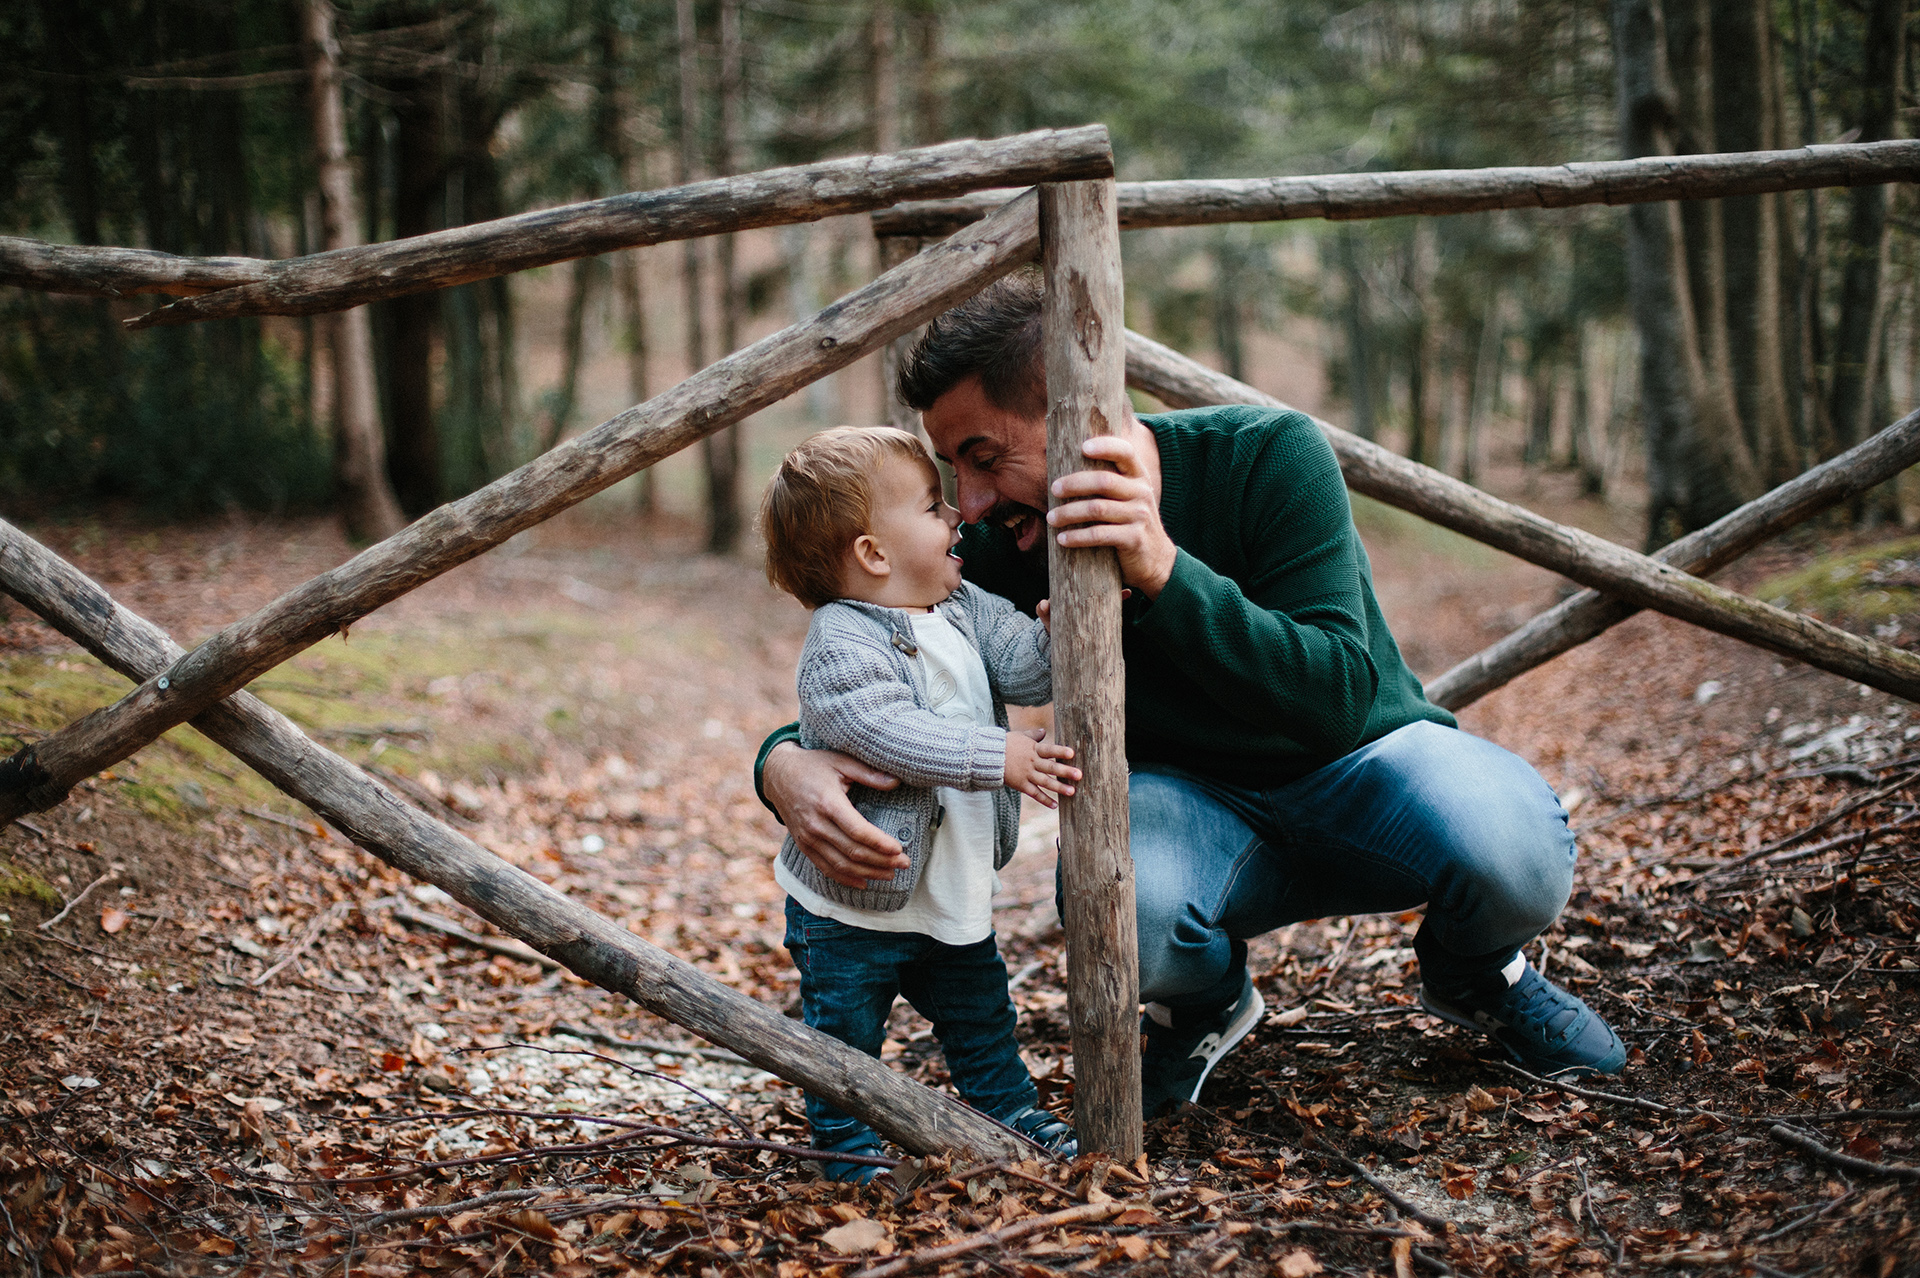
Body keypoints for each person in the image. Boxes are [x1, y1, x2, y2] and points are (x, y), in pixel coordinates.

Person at [757, 272, 1627, 1119]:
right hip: (1182, 811)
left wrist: (1165, 570)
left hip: (1364, 770)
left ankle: (1481, 971)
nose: (971, 503)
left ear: (1078, 413)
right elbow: (869, 671)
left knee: (1513, 850)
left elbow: (1334, 697)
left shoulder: (1267, 455)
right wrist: (783, 764)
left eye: (983, 458)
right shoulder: (987, 542)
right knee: (1120, 915)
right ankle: (1203, 1002)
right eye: (951, 470)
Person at [757, 425, 1085, 1181]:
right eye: (934, 508)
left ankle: (1008, 1108)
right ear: (874, 553)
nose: (957, 521)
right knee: (842, 1035)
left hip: (952, 888)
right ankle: (846, 1144)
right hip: (852, 908)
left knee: (981, 1016)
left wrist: (1064, 621)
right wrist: (994, 755)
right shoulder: (842, 640)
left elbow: (1029, 673)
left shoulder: (964, 603)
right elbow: (881, 731)